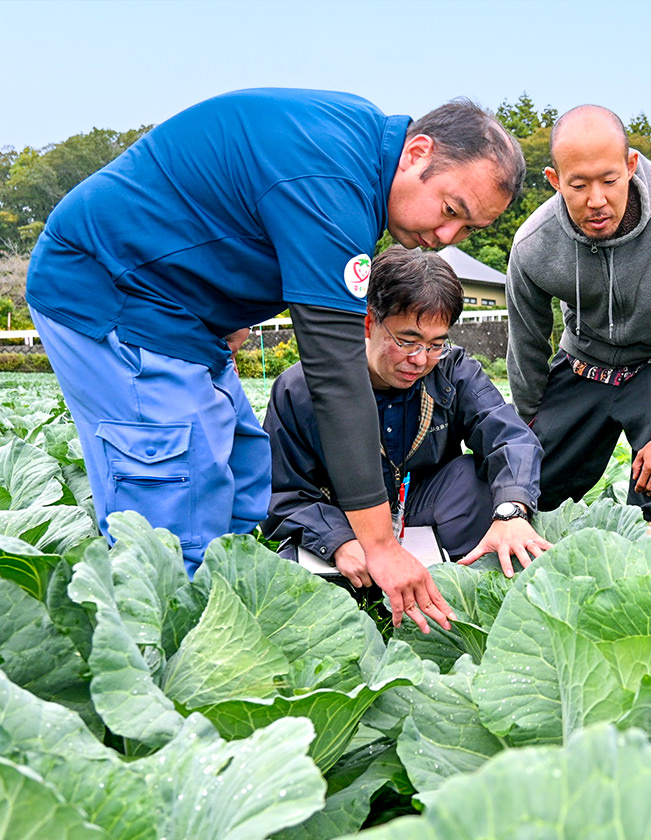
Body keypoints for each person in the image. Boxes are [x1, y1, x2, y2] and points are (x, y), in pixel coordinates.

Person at [26, 89, 524, 632]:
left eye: (468, 229)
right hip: (113, 294)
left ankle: (226, 632)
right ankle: (159, 662)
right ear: (418, 152)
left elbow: (228, 206)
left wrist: (227, 308)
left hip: (185, 315)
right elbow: (336, 377)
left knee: (241, 478)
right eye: (451, 210)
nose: (447, 236)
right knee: (169, 508)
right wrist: (380, 547)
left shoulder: (357, 151)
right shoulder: (333, 184)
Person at [262, 246, 550, 582]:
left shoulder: (451, 370)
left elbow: (510, 437)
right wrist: (337, 541)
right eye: (406, 340)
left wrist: (511, 511)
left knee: (475, 478)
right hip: (343, 519)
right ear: (369, 322)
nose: (420, 358)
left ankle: (457, 580)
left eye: (434, 344)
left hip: (418, 506)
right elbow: (281, 493)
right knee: (306, 587)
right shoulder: (300, 389)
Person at [505, 105, 651, 554]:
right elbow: (527, 346)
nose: (595, 199)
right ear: (555, 180)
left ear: (631, 165)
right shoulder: (533, 244)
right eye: (578, 185)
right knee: (530, 479)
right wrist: (525, 431)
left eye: (609, 180)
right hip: (583, 366)